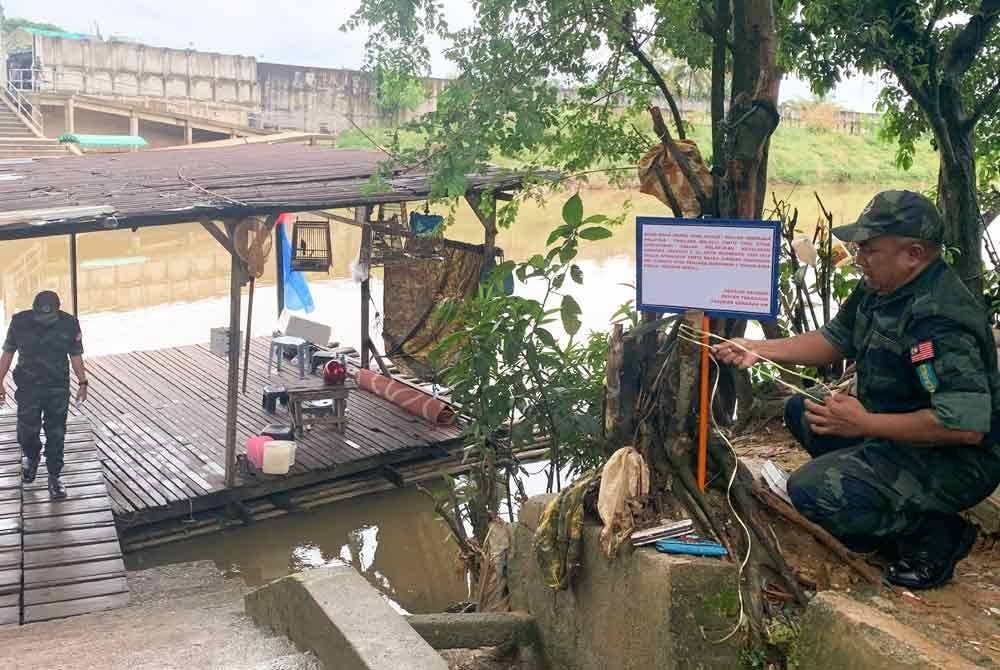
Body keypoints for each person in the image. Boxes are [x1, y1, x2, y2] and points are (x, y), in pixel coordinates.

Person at [714, 190, 1000, 590]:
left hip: (955, 460)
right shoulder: (882, 286)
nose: (858, 257)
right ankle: (879, 492)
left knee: (811, 492)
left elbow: (964, 428)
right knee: (803, 409)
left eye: (869, 248)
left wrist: (865, 423)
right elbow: (835, 339)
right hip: (893, 430)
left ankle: (933, 534)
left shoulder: (942, 319)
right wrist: (759, 349)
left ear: (913, 254)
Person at [0, 290, 89, 499]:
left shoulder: (69, 324)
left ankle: (54, 476)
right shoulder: (19, 322)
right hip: (28, 386)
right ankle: (32, 457)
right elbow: (7, 353)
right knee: (27, 431)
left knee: (56, 432)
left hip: (57, 386)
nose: (44, 321)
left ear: (58, 311)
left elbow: (76, 355)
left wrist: (83, 382)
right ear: (34, 310)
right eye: (41, 316)